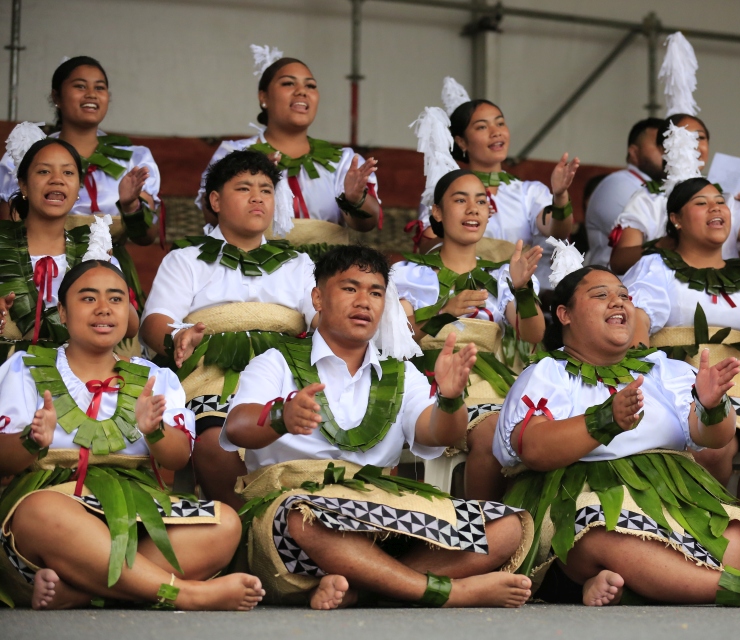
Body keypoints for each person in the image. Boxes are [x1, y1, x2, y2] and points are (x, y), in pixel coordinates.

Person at [222, 245, 534, 609]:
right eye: (350, 288)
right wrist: (282, 417)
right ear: (318, 298)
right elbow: (238, 426)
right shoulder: (276, 362)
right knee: (299, 518)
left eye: (375, 292)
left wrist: (450, 399)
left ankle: (366, 588)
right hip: (300, 520)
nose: (364, 301)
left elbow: (439, 433)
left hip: (380, 516)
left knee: (505, 527)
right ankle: (448, 592)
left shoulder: (400, 374)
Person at [494, 260, 740, 608]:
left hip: (674, 498)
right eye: (601, 295)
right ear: (565, 315)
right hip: (582, 498)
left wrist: (711, 405)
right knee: (604, 533)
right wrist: (604, 421)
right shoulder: (548, 373)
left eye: (625, 296)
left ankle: (629, 586)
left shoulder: (664, 370)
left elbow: (714, 438)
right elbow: (533, 448)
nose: (618, 302)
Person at [0, 250, 263, 611]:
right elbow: (3, 461)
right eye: (88, 297)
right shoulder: (25, 368)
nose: (104, 308)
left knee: (225, 524)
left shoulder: (156, 377)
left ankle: (81, 592)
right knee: (40, 512)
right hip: (54, 505)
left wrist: (153, 431)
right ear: (62, 312)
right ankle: (185, 594)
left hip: (138, 510)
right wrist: (32, 440)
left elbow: (178, 456)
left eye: (116, 299)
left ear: (128, 313)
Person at [620, 124, 740, 515]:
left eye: (720, 202)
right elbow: (636, 321)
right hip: (683, 375)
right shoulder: (656, 266)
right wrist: (640, 375)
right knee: (720, 445)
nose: (717, 208)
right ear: (677, 220)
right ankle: (705, 524)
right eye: (702, 203)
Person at [140, 150, 318, 509]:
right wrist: (176, 337)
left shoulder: (298, 263)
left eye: (266, 190)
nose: (257, 198)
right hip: (212, 377)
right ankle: (246, 532)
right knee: (212, 439)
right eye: (244, 188)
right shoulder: (185, 259)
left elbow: (319, 317)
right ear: (216, 200)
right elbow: (154, 321)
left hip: (287, 374)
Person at [393, 169, 545, 500]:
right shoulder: (409, 274)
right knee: (492, 432)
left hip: (492, 390)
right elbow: (393, 341)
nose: (472, 209)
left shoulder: (503, 275)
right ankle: (482, 534)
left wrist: (520, 290)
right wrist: (442, 314)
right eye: (460, 200)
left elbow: (533, 332)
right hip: (431, 389)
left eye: (481, 201)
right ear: (436, 212)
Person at [0, 56, 161, 307]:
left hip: (109, 273)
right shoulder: (28, 154)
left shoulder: (135, 158)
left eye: (100, 87)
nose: (91, 94)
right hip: (34, 273)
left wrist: (130, 207)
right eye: (79, 86)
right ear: (56, 96)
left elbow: (146, 237)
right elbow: (10, 227)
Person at [197, 49, 379, 246]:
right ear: (263, 97)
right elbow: (211, 216)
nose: (302, 91)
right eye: (288, 83)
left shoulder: (344, 161)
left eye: (310, 86)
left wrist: (355, 198)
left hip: (326, 271)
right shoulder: (234, 154)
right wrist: (248, 174)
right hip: (252, 269)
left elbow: (367, 224)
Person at [413, 78, 579, 292]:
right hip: (461, 294)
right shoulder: (444, 190)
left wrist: (560, 196)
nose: (496, 131)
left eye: (500, 123)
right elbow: (427, 247)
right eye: (482, 127)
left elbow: (557, 231)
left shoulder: (529, 192)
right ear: (462, 142)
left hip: (519, 295)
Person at [0, 133, 137, 360]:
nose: (57, 179)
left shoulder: (94, 243)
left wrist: (106, 273)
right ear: (23, 184)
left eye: (68, 172)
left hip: (80, 373)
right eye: (44, 171)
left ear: (78, 189)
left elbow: (131, 327)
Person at [608, 114, 740, 275]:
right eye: (685, 137)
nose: (695, 144)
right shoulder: (647, 199)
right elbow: (619, 262)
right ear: (663, 148)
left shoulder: (726, 199)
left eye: (701, 137)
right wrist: (667, 243)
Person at [583, 118, 665, 267]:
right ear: (634, 152)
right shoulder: (617, 184)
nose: (666, 151)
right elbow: (649, 238)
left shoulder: (666, 188)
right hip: (611, 285)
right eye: (658, 145)